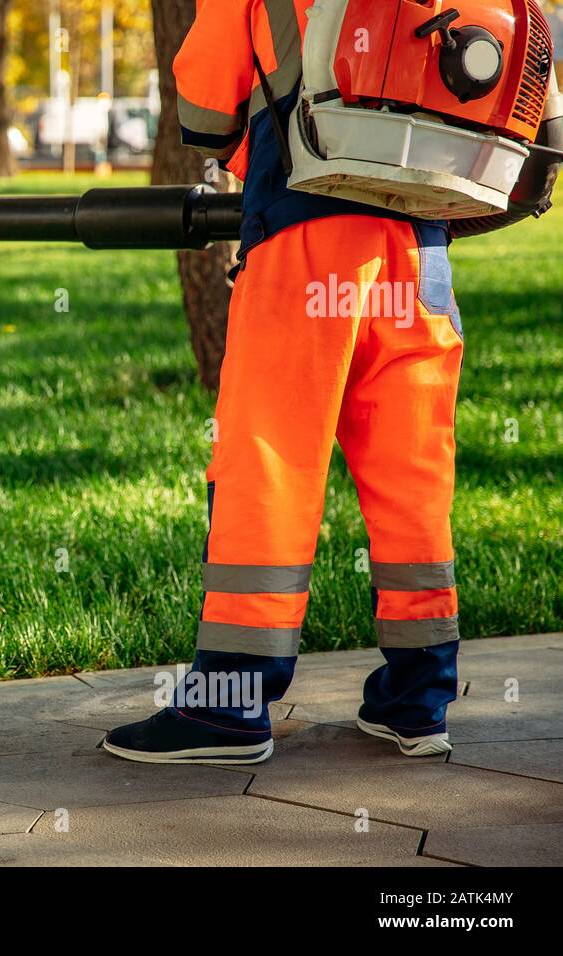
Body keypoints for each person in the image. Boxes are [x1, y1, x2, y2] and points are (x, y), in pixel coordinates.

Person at [102, 0, 467, 764]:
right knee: (413, 479)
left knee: (268, 462)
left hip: (308, 235)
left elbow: (203, 111)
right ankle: (419, 699)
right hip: (422, 247)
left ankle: (230, 707)